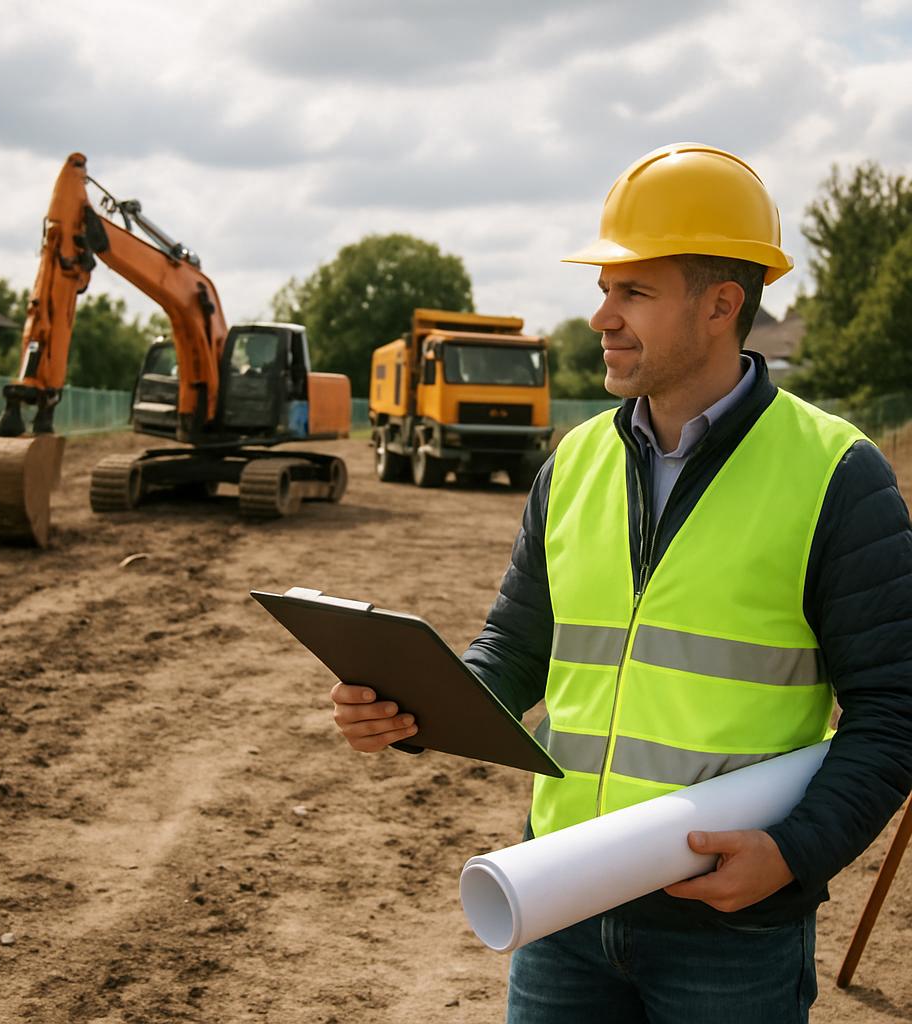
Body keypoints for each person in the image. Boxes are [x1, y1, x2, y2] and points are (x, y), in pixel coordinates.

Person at [330, 143, 912, 1022]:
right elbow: (515, 651)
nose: (602, 315)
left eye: (633, 291)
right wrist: (413, 709)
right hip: (561, 897)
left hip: (729, 920)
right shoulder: (575, 462)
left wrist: (795, 851)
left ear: (722, 305)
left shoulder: (838, 473)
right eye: (605, 288)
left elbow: (896, 708)